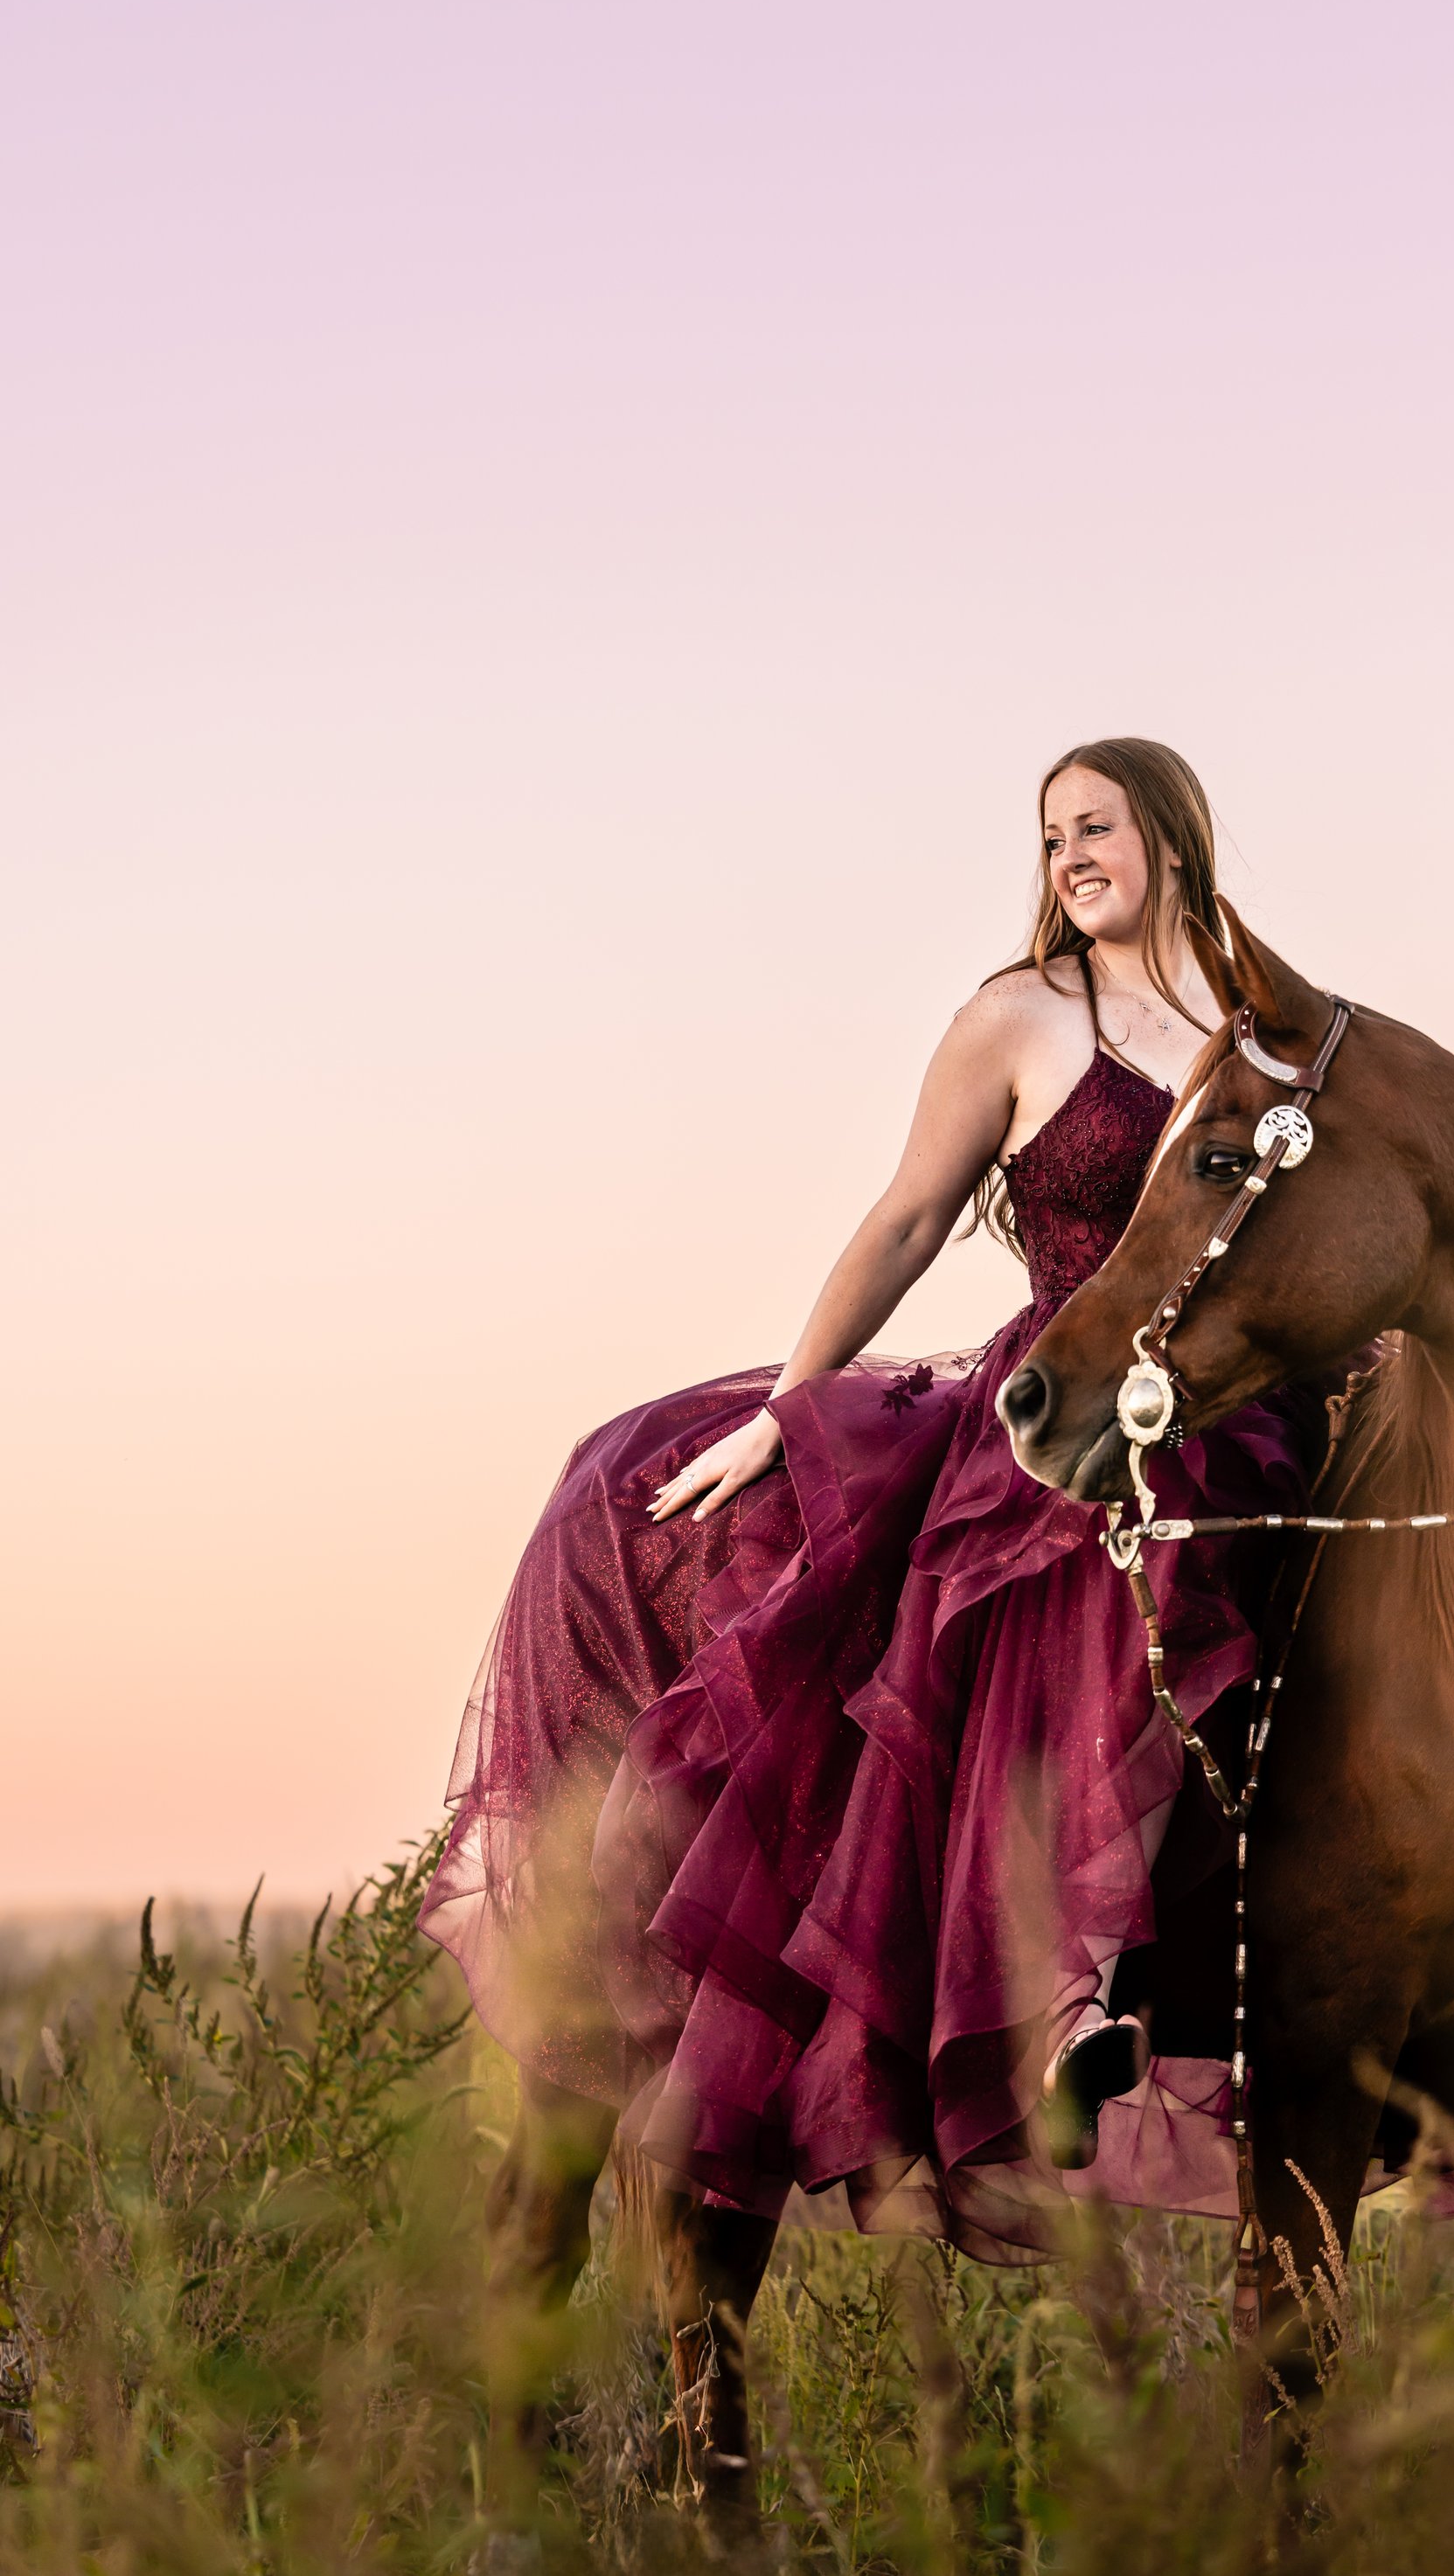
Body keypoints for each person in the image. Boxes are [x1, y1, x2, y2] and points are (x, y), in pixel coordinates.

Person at [422, 739, 1323, 2261]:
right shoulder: (1023, 1017)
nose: (1069, 858)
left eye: (1094, 828)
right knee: (1071, 1560)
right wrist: (792, 1406)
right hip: (1059, 1403)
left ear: (1171, 836)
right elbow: (907, 1215)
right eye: (1050, 839)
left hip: (1231, 1403)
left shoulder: (1272, 1031)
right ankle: (1056, 1999)